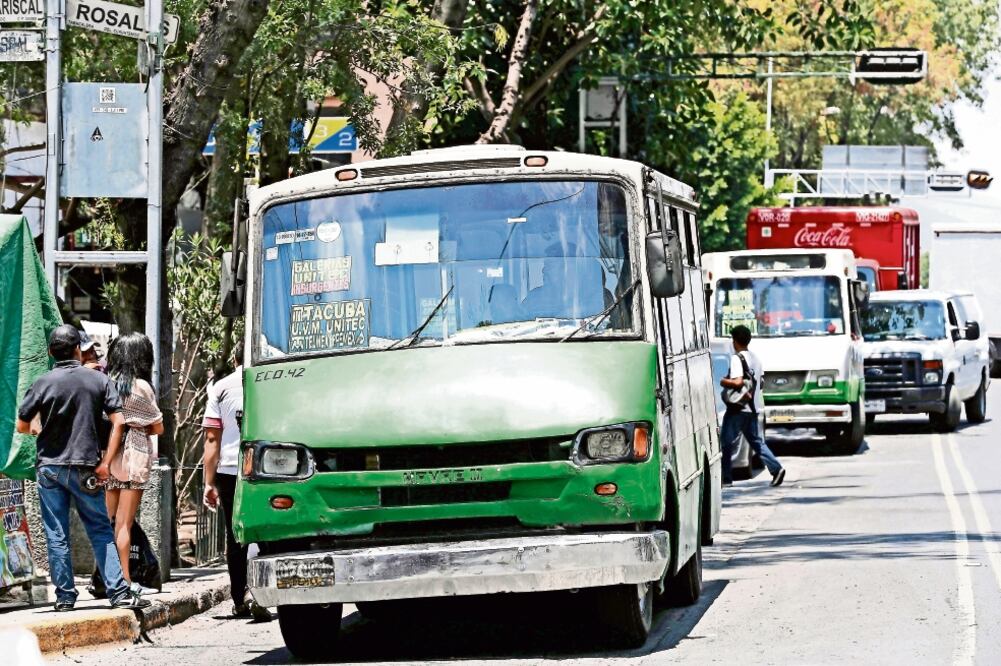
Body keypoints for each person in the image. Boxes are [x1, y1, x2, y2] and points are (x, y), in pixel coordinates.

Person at [15, 325, 151, 610]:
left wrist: (39, 431)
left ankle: (65, 597)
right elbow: (118, 423)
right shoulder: (98, 380)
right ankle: (119, 593)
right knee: (100, 529)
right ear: (78, 349)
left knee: (56, 534)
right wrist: (106, 463)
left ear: (51, 352)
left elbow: (22, 425)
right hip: (86, 467)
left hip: (50, 468)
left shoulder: (41, 382)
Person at [202, 347, 272, 621]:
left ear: (234, 359)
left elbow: (212, 439)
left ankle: (240, 598)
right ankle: (262, 592)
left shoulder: (220, 388)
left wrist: (209, 482)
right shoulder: (270, 379)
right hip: (266, 467)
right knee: (266, 530)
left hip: (230, 468)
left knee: (235, 536)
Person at [104, 333, 164, 596]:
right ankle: (125, 581)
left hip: (107, 456)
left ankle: (104, 577)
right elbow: (158, 427)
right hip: (132, 456)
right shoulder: (141, 387)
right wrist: (138, 426)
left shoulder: (106, 383)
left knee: (106, 522)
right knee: (124, 524)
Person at [720, 325, 786, 488]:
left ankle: (726, 479)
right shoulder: (756, 358)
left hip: (738, 409)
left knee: (725, 443)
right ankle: (776, 469)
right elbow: (760, 383)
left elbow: (737, 382)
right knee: (757, 442)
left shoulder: (737, 358)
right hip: (753, 408)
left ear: (735, 341)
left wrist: (724, 381)